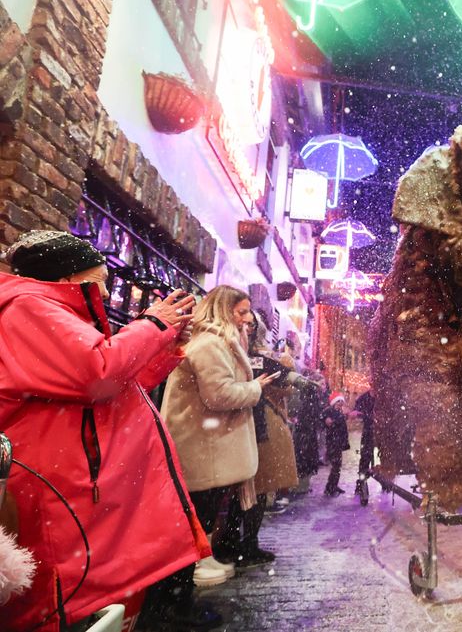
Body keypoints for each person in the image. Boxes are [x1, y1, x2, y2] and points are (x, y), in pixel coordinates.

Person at [0, 230, 209, 631]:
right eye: (98, 282)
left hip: (72, 491)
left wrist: (161, 344)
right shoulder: (28, 306)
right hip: (54, 494)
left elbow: (114, 390)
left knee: (78, 603)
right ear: (68, 281)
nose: (104, 292)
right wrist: (152, 324)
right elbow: (96, 374)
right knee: (51, 605)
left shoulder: (43, 310)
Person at [146, 285, 277, 625]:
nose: (248, 319)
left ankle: (176, 602)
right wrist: (256, 388)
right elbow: (218, 396)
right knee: (191, 533)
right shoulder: (210, 344)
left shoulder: (218, 342)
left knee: (195, 530)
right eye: (242, 311)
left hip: (208, 452)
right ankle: (173, 607)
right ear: (223, 309)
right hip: (202, 454)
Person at [213, 315, 303, 569]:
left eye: (251, 324)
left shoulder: (263, 357)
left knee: (255, 487)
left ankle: (242, 542)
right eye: (244, 321)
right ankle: (237, 543)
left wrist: (283, 368)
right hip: (243, 425)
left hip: (255, 425)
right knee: (245, 488)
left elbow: (286, 389)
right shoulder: (230, 351)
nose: (247, 327)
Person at [322, 391, 351, 496]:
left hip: (338, 442)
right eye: (338, 401)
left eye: (341, 401)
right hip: (333, 442)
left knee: (337, 466)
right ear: (333, 402)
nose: (340, 403)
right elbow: (323, 419)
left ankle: (333, 485)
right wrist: (326, 420)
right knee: (336, 466)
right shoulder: (329, 411)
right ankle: (330, 488)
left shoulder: (339, 412)